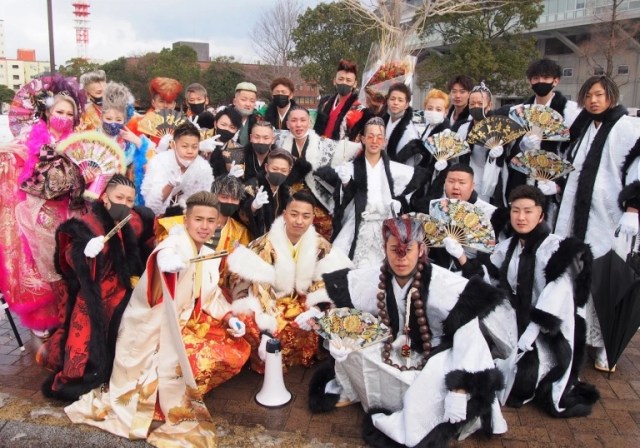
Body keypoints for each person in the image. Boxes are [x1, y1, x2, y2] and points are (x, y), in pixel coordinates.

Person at [65, 191, 251, 446]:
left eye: (211, 220)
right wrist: (166, 263)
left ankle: (173, 389)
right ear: (186, 220)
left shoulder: (207, 254)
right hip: (153, 331)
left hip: (184, 322)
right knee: (194, 361)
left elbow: (210, 296)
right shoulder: (173, 247)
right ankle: (157, 402)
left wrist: (229, 316)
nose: (205, 226)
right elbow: (161, 261)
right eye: (198, 219)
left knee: (235, 347)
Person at [310, 216, 514, 447]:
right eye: (394, 250)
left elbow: (470, 339)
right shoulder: (378, 275)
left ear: (421, 250)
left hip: (437, 352)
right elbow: (344, 292)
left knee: (431, 393)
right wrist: (319, 315)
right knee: (349, 347)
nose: (401, 258)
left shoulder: (444, 284)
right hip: (393, 344)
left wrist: (459, 387)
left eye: (408, 250)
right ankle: (355, 391)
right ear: (384, 249)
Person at [37, 175, 155, 400]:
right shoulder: (88, 224)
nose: (124, 204)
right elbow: (68, 257)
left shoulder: (134, 220)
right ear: (105, 197)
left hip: (124, 284)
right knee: (83, 336)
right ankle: (83, 375)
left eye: (130, 200)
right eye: (119, 197)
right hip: (95, 289)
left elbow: (149, 236)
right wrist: (83, 251)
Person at [488, 185, 599, 417]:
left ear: (541, 215)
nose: (521, 217)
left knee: (521, 380)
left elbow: (557, 296)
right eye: (515, 210)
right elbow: (494, 277)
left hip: (547, 331)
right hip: (514, 319)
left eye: (528, 211)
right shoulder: (508, 246)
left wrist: (531, 332)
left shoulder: (556, 250)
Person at [555, 75, 640, 371]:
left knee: (606, 277)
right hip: (576, 214)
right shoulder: (583, 127)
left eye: (599, 95)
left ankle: (605, 345)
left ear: (611, 97)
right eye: (589, 95)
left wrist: (634, 207)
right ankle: (576, 336)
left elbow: (637, 167)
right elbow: (571, 166)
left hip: (609, 215)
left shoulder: (626, 127)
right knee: (577, 273)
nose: (593, 100)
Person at [226, 191, 353, 373]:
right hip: (265, 299)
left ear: (312, 218)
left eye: (306, 216)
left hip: (300, 298)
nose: (299, 221)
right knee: (253, 323)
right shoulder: (266, 244)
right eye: (294, 214)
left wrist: (317, 308)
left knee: (314, 320)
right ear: (284, 214)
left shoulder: (319, 244)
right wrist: (266, 329)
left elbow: (327, 278)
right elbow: (260, 285)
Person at [0, 76, 88, 333]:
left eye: (69, 114)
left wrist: (88, 176)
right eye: (59, 112)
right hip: (36, 213)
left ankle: (68, 317)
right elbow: (15, 163)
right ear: (48, 113)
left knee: (66, 264)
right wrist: (6, 152)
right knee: (40, 265)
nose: (64, 117)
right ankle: (45, 322)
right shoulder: (30, 137)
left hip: (69, 213)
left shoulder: (80, 143)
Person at [331, 117, 426, 269]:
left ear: (385, 141)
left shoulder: (395, 170)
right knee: (345, 264)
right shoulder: (350, 168)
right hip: (358, 223)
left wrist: (399, 203)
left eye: (379, 137)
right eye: (370, 136)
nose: (374, 141)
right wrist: (345, 183)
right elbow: (343, 200)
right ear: (363, 139)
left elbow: (409, 195)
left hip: (385, 224)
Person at [279, 106, 361, 240]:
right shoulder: (279, 141)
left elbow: (352, 148)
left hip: (315, 198)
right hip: (287, 197)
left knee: (324, 227)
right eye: (294, 120)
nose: (298, 125)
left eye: (303, 120)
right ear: (287, 124)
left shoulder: (322, 144)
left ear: (309, 122)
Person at [142, 121, 213, 215]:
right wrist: (170, 185)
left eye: (194, 147)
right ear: (173, 145)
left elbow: (203, 200)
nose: (190, 151)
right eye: (184, 146)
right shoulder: (159, 162)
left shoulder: (202, 167)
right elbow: (152, 206)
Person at [100, 81, 153, 206]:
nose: (113, 123)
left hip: (126, 199)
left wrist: (139, 143)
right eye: (108, 119)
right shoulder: (91, 139)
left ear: (125, 120)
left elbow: (152, 165)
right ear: (102, 116)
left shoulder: (130, 142)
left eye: (118, 120)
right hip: (100, 196)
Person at [210, 175, 251, 289]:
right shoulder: (197, 220)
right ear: (214, 196)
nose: (229, 202)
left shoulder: (241, 231)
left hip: (223, 288)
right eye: (224, 197)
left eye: (234, 199)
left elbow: (242, 264)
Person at [243, 148, 294, 237]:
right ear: (266, 167)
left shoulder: (289, 192)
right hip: (252, 238)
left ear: (289, 171)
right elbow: (240, 215)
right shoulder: (250, 186)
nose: (279, 173)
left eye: (283, 170)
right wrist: (253, 206)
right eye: (275, 169)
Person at [314, 59, 363, 141]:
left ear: (355, 84)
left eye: (348, 80)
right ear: (334, 81)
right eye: (341, 79)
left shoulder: (357, 108)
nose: (344, 82)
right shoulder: (324, 102)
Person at [128, 77, 183, 148]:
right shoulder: (136, 123)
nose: (165, 106)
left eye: (169, 102)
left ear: (174, 105)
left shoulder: (181, 126)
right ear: (153, 102)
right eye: (161, 101)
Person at [383, 82, 425, 167]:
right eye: (392, 99)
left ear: (406, 105)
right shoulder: (384, 121)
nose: (395, 103)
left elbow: (409, 166)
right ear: (387, 101)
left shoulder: (410, 132)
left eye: (400, 100)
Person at [207, 106, 243, 177]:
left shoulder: (237, 149)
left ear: (236, 130)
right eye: (223, 125)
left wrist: (230, 176)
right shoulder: (201, 137)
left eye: (232, 127)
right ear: (215, 124)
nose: (226, 129)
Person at [446, 75, 474, 139]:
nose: (457, 96)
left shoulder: (472, 118)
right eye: (454, 91)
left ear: (469, 94)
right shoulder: (445, 116)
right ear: (450, 93)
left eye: (462, 92)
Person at [233, 82, 259, 146]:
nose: (248, 104)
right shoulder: (224, 120)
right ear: (234, 101)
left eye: (252, 101)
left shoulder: (257, 123)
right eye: (244, 100)